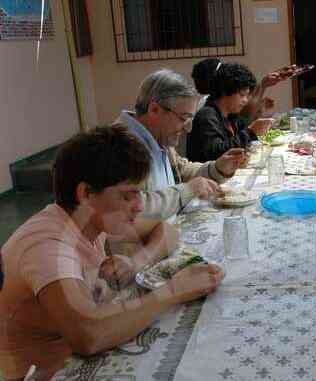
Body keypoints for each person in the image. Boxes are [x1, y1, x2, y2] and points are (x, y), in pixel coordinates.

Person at [0, 126, 224, 381]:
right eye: (129, 195)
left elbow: (167, 231)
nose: (139, 205)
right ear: (86, 194)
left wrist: (136, 262)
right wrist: (173, 291)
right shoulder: (47, 245)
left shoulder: (90, 220)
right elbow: (89, 334)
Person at [115, 69, 248, 220]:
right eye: (183, 118)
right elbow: (131, 209)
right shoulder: (120, 147)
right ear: (154, 110)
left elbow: (181, 170)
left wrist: (218, 168)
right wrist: (186, 191)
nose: (188, 128)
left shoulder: (157, 136)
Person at [187, 62, 274, 162]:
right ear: (225, 91)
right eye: (242, 95)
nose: (245, 100)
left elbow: (243, 134)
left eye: (246, 96)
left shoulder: (230, 116)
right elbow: (215, 153)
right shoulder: (207, 116)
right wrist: (250, 132)